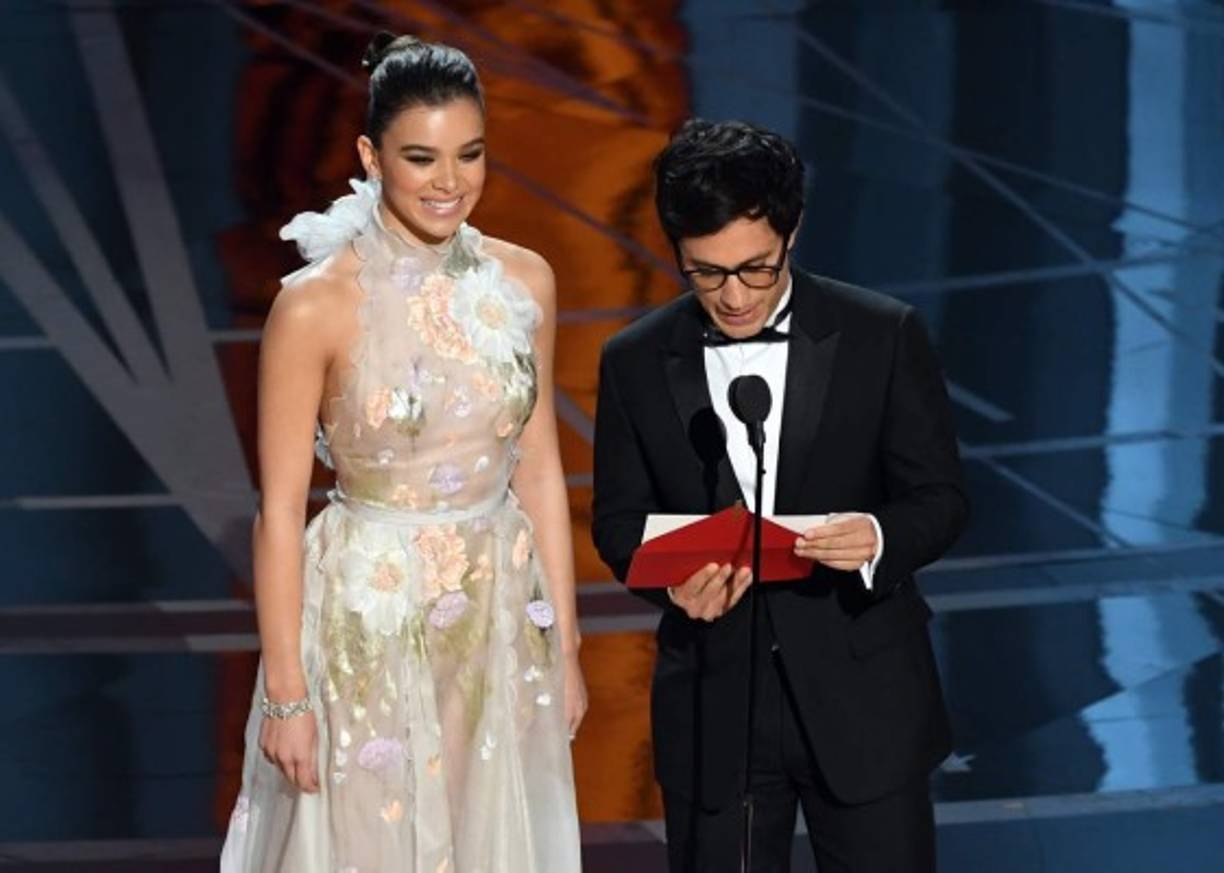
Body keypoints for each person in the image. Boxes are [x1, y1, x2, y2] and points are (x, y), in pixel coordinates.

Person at [220, 32, 584, 873]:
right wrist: (285, 696)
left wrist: (562, 644)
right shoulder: (314, 308)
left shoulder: (524, 281)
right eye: (421, 158)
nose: (449, 182)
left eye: (470, 154)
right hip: (367, 619)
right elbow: (278, 512)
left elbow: (536, 467)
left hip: (497, 611)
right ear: (369, 154)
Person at [591, 119, 969, 873]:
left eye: (754, 268)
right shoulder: (634, 360)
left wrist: (877, 536)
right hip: (714, 701)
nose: (733, 296)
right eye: (705, 272)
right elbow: (618, 521)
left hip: (864, 693)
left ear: (791, 233)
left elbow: (940, 496)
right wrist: (675, 582)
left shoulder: (880, 335)